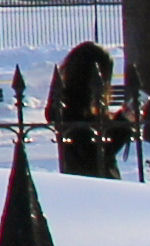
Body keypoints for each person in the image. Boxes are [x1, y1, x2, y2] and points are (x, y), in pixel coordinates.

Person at [46, 38, 129, 179]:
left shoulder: (65, 102)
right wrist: (124, 122)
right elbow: (96, 153)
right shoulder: (75, 108)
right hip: (95, 179)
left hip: (80, 177)